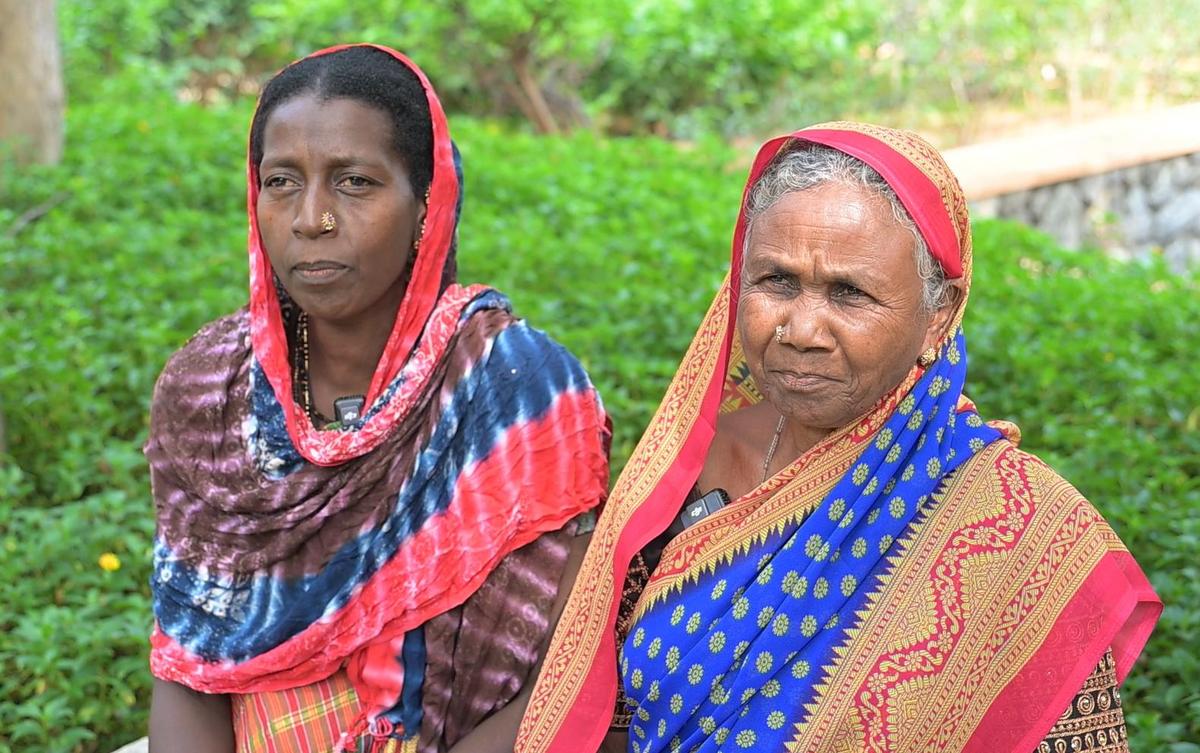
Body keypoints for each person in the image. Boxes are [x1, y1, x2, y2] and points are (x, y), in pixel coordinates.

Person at [515, 123, 1160, 753]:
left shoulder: (1021, 531)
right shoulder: (687, 469)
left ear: (939, 313)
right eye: (777, 281)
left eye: (849, 293)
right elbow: (612, 711)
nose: (801, 331)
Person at [145, 44, 610, 753]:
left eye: (355, 182)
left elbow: (572, 670)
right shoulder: (212, 391)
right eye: (281, 181)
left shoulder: (515, 390)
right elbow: (188, 660)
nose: (311, 218)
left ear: (427, 203)